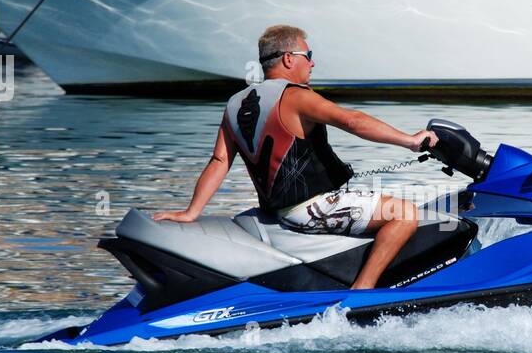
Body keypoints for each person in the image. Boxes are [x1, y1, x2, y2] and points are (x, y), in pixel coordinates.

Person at [154, 25, 437, 290]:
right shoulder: (296, 97)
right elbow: (353, 121)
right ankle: (362, 291)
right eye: (308, 56)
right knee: (404, 214)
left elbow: (219, 161)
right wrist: (410, 141)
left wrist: (192, 212)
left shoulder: (236, 103)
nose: (312, 63)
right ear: (289, 59)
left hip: (277, 212)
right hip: (313, 209)